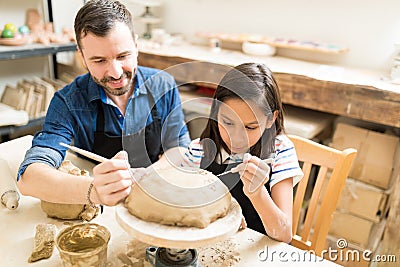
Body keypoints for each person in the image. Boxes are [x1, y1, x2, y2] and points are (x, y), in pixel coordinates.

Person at [17, 0, 190, 207]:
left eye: (123, 56)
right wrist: (93, 191)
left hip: (154, 193)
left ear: (136, 45)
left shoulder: (163, 86)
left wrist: (145, 176)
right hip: (96, 206)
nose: (116, 73)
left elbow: (178, 148)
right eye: (99, 61)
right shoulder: (68, 102)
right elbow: (28, 178)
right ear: (82, 57)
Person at [182, 63, 303, 243]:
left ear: (271, 119)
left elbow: (284, 235)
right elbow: (183, 206)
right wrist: (222, 219)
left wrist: (257, 193)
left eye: (250, 127)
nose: (237, 138)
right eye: (228, 123)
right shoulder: (199, 150)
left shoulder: (280, 151)